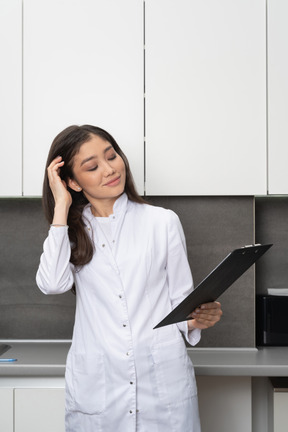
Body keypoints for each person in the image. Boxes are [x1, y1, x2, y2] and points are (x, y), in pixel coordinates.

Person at [36, 124, 222, 432]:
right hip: (99, 386)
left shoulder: (162, 222)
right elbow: (52, 283)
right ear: (73, 182)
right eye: (92, 166)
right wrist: (61, 206)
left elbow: (180, 304)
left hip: (163, 386)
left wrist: (197, 318)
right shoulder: (69, 234)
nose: (110, 169)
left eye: (112, 156)